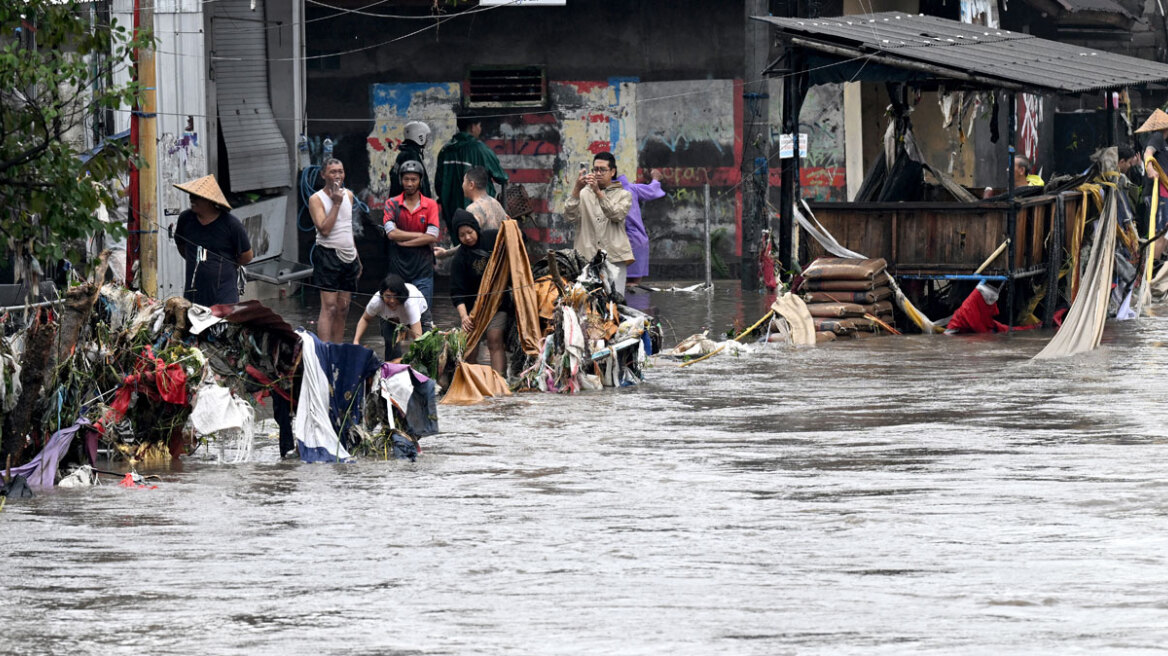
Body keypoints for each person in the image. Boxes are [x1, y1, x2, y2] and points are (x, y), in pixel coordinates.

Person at [172, 174, 253, 306]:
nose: (191, 199)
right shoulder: (186, 219)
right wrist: (198, 260)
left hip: (223, 296)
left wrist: (224, 265)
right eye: (191, 195)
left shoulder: (231, 224)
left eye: (196, 197)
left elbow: (247, 256)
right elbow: (181, 245)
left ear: (209, 201)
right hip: (193, 295)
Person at [562, 151, 634, 294]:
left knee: (615, 301)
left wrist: (598, 193)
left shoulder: (624, 194)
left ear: (612, 172)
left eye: (603, 170)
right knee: (588, 302)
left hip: (614, 257)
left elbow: (616, 214)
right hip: (586, 257)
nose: (598, 173)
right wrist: (576, 189)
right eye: (595, 169)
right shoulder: (583, 193)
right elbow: (569, 217)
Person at [307, 158, 361, 343]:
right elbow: (325, 229)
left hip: (348, 255)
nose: (337, 175)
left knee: (343, 308)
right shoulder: (316, 199)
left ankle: (337, 348)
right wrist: (336, 204)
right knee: (329, 307)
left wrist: (357, 258)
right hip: (328, 255)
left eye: (340, 171)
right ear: (323, 175)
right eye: (332, 172)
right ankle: (324, 349)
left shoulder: (350, 195)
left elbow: (348, 229)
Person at [448, 209, 508, 374]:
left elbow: (518, 239)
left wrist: (512, 227)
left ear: (476, 228)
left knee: (494, 339)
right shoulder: (459, 258)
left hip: (497, 302)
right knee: (471, 345)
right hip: (472, 309)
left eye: (469, 232)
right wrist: (464, 316)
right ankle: (473, 380)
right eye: (462, 235)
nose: (467, 237)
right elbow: (456, 291)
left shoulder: (491, 238)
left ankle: (499, 379)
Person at [384, 159, 439, 328]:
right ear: (401, 180)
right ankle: (398, 354)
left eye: (413, 179)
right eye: (406, 179)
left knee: (424, 317)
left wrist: (406, 241)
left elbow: (432, 236)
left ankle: (423, 354)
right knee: (395, 319)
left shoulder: (430, 205)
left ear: (420, 181)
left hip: (423, 269)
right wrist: (418, 236)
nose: (409, 183)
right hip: (398, 269)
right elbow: (391, 234)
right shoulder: (392, 204)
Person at [435, 113, 509, 235]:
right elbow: (502, 177)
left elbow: (439, 182)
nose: (480, 129)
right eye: (479, 125)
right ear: (473, 127)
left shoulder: (445, 150)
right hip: (479, 209)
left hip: (451, 208)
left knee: (461, 240)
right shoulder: (480, 149)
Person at [353, 274, 428, 362]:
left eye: (396, 296)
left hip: (420, 314)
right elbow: (365, 319)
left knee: (426, 346)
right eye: (388, 296)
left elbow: (418, 337)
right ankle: (393, 370)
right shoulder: (376, 301)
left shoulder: (410, 303)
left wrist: (416, 355)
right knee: (391, 345)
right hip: (389, 319)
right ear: (382, 294)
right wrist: (356, 341)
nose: (392, 301)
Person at [616, 168, 666, 285]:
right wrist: (655, 179)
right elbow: (652, 191)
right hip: (637, 240)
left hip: (624, 241)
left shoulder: (605, 192)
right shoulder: (631, 188)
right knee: (633, 285)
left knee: (623, 284)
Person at [389, 121, 433, 199]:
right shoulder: (412, 156)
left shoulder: (403, 154)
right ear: (420, 137)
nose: (427, 140)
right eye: (426, 136)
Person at [463, 165, 508, 231]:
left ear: (471, 185)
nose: (462, 185)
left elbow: (471, 238)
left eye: (464, 181)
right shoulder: (496, 204)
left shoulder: (472, 209)